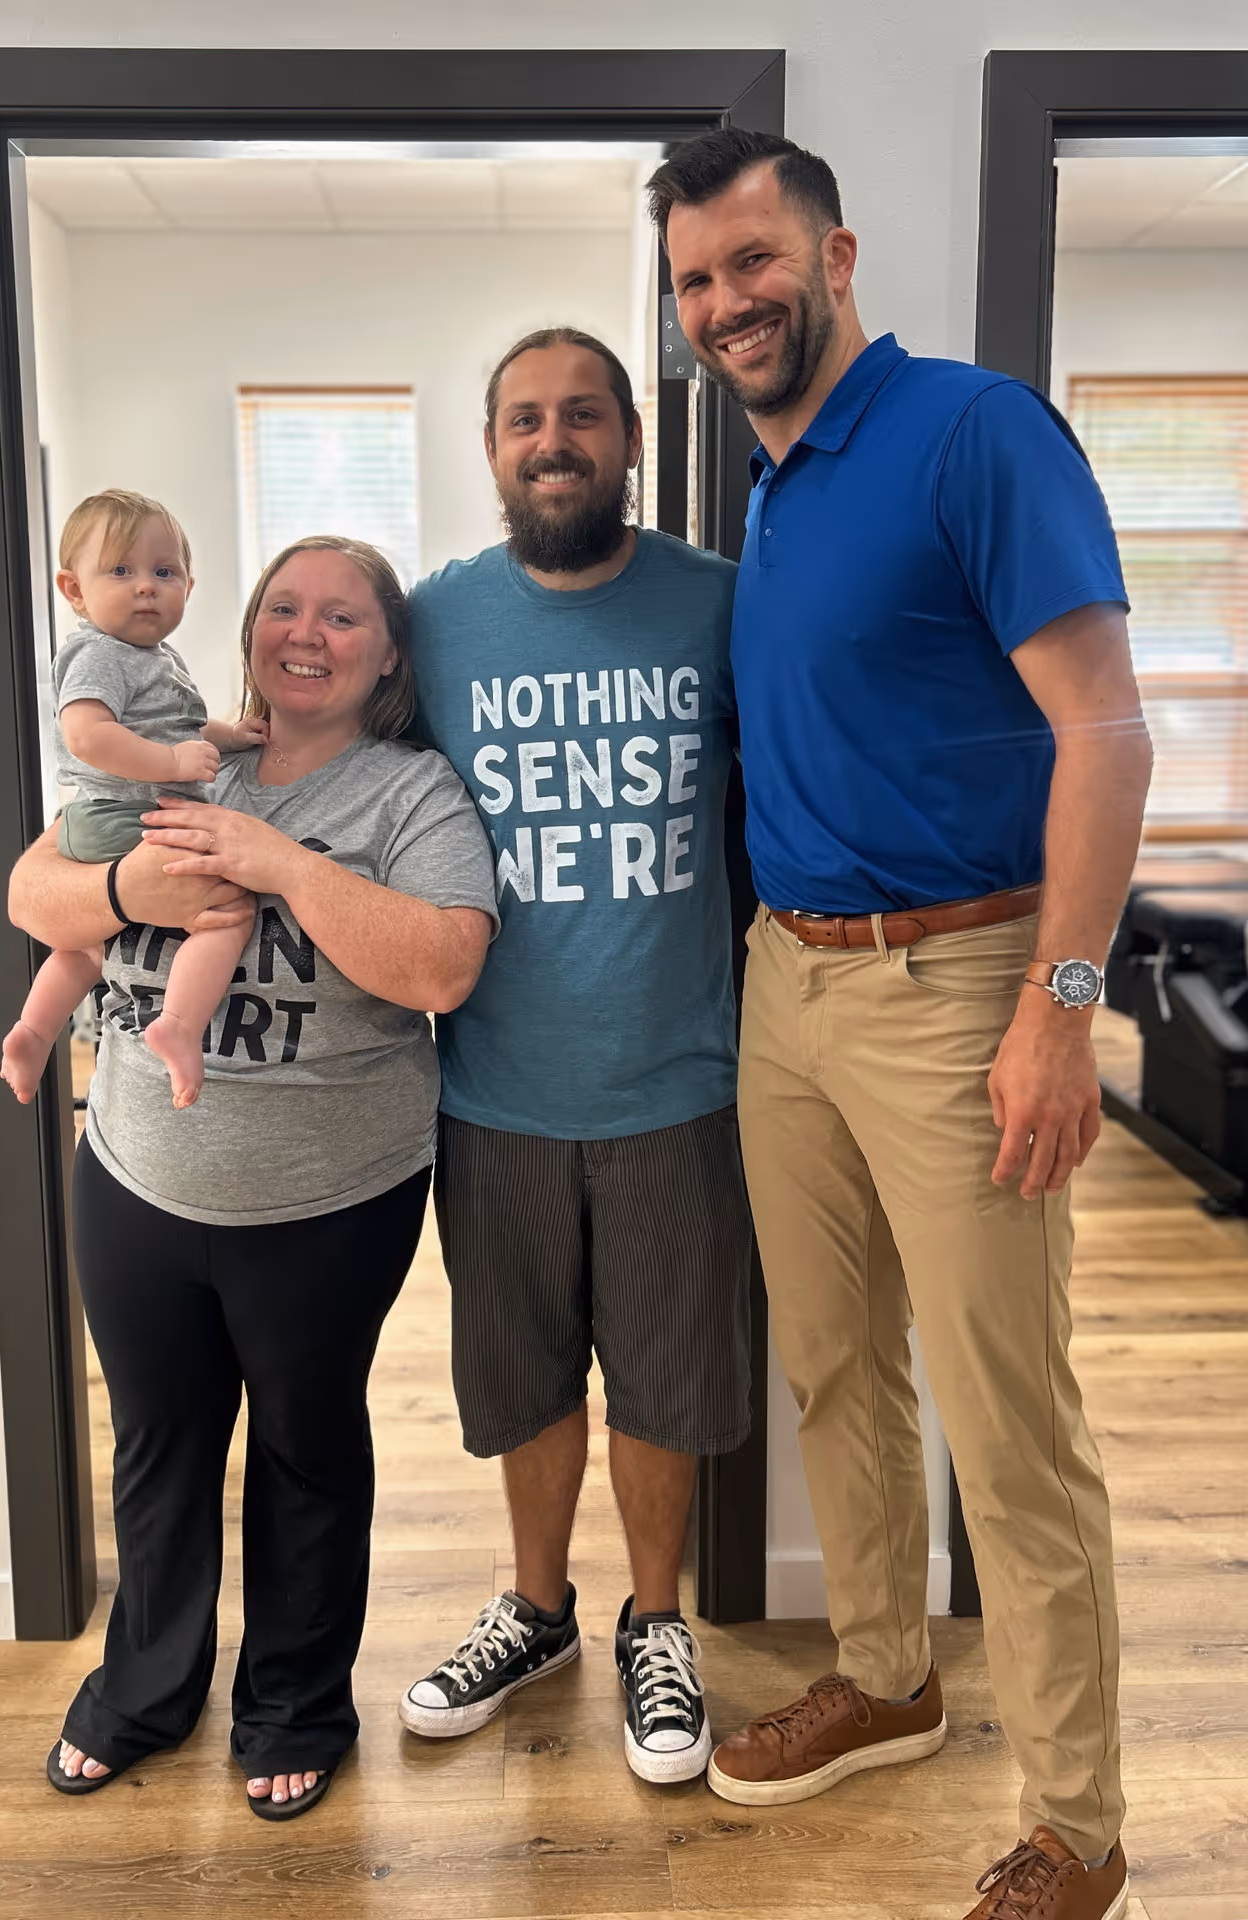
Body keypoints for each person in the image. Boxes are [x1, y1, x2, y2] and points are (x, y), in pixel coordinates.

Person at [648, 131, 1151, 1919]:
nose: (725, 305)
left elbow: (1102, 732)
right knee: (833, 1365)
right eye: (696, 281)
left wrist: (1056, 1005)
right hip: (786, 984)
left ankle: (1077, 1830)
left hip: (960, 988)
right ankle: (885, 1673)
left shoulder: (969, 431)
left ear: (834, 252)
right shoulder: (776, 491)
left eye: (750, 264)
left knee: (1008, 1426)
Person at [8, 535, 498, 1820]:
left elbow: (443, 968)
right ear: (249, 629)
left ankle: (292, 1701)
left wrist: (278, 862)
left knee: (303, 1450)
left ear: (388, 652)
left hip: (329, 1200)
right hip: (132, 1176)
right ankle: (145, 1688)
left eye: (342, 616)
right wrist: (127, 882)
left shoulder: (412, 797)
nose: (306, 632)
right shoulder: (180, 754)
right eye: (283, 605)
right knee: (159, 1447)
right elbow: (28, 891)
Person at [397, 328, 752, 1784]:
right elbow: (335, 772)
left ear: (628, 442)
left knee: (665, 1376)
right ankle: (535, 1606)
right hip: (491, 1089)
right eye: (525, 420)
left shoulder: (722, 605)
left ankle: (651, 1622)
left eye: (583, 415)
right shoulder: (432, 625)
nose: (555, 440)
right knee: (522, 1372)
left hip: (680, 1082)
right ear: (490, 452)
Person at [0, 488, 267, 1111]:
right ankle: (179, 1023)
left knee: (89, 945)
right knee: (225, 910)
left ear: (188, 588)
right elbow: (87, 735)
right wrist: (173, 764)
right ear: (74, 590)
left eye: (163, 572)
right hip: (121, 818)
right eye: (121, 570)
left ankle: (34, 1032)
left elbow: (173, 729)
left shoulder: (154, 658)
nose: (146, 585)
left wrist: (227, 736)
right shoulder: (100, 652)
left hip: (105, 820)